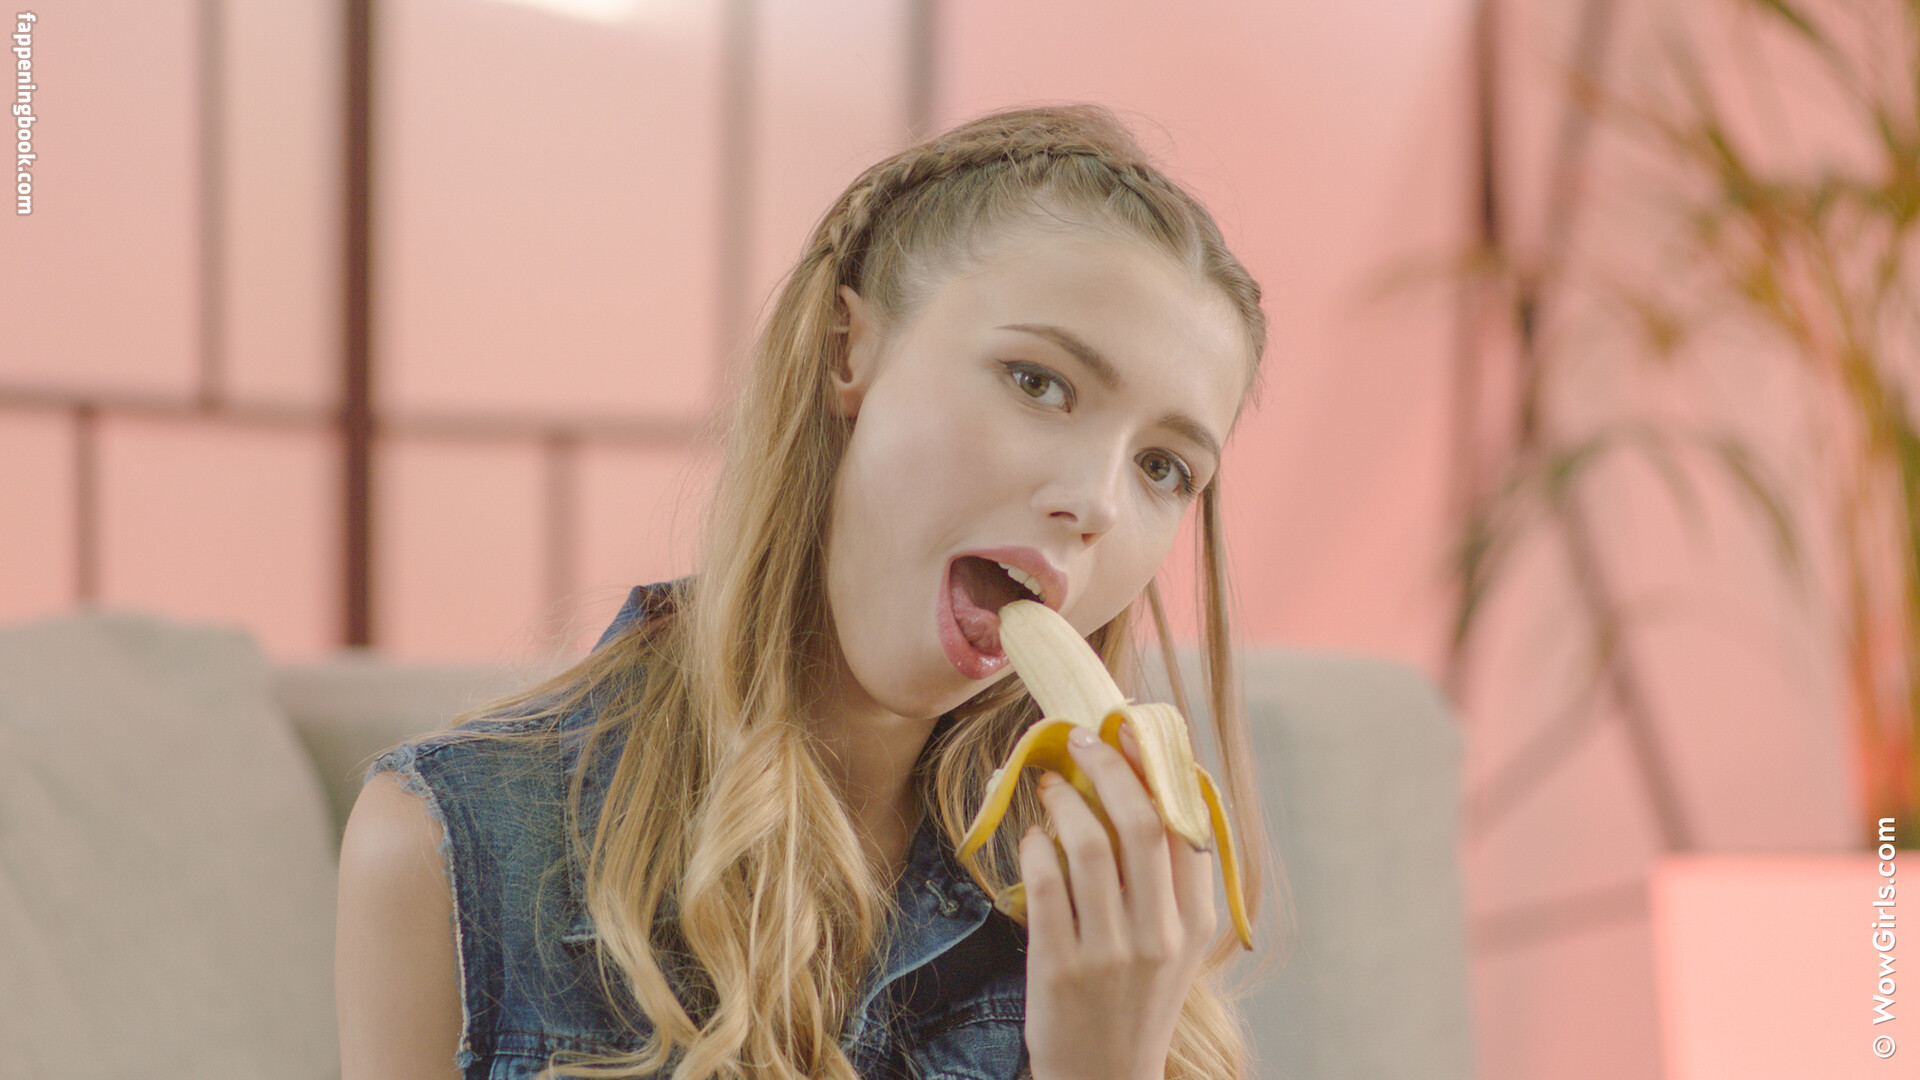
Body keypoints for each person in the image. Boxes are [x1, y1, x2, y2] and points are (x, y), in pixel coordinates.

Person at [335, 103, 1271, 1080]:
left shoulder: (1100, 926)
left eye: (1163, 467)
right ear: (846, 352)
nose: (1098, 503)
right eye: (1038, 382)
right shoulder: (448, 851)